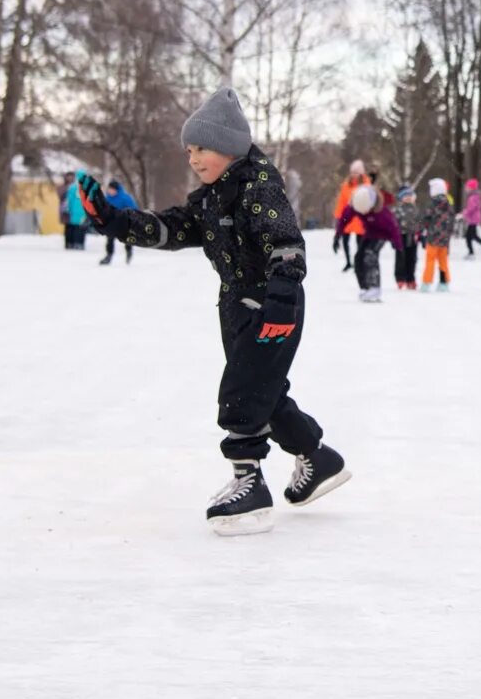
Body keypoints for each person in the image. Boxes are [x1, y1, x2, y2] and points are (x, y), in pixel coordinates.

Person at [78, 87, 350, 535]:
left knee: (243, 392)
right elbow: (170, 228)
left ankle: (250, 487)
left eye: (201, 148)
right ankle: (318, 459)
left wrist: (280, 301)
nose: (193, 158)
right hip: (237, 304)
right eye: (189, 150)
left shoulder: (259, 186)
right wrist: (112, 219)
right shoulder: (209, 198)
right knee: (264, 390)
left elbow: (285, 244)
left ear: (228, 146)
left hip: (272, 303)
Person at [337, 182, 400, 303]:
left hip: (382, 234)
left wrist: (397, 244)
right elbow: (345, 218)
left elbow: (393, 228)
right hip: (369, 232)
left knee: (370, 254)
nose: (363, 214)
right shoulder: (356, 204)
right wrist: (338, 235)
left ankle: (375, 287)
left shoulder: (382, 213)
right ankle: (365, 287)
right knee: (358, 258)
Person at [332, 160, 369, 273]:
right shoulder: (346, 185)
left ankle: (359, 262)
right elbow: (341, 201)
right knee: (345, 240)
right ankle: (348, 262)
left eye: (357, 172)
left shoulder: (366, 185)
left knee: (360, 242)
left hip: (360, 217)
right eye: (353, 172)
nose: (354, 174)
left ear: (361, 173)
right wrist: (338, 216)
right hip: (347, 217)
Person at [420, 177, 456, 291]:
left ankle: (426, 282)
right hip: (444, 239)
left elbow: (426, 218)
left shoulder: (432, 204)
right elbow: (451, 220)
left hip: (433, 237)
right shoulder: (449, 204)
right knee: (443, 261)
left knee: (430, 260)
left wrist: (422, 227)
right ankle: (443, 283)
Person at [99, 180, 138, 265]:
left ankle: (129, 252)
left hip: (123, 222)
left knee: (126, 239)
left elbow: (133, 209)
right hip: (112, 223)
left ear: (117, 189)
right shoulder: (107, 198)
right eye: (109, 189)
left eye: (112, 189)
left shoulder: (125, 198)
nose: (110, 191)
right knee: (110, 240)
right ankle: (108, 256)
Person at [393, 184, 423, 289]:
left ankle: (411, 278)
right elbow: (394, 224)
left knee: (412, 259)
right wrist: (393, 238)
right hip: (401, 236)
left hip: (413, 237)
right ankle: (400, 278)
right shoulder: (398, 209)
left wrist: (420, 235)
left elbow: (420, 223)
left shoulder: (415, 209)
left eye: (410, 195)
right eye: (405, 195)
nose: (408, 197)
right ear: (401, 197)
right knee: (401, 258)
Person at [462, 177, 481, 257]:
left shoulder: (473, 197)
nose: (466, 188)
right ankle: (473, 252)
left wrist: (463, 214)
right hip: (473, 219)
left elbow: (471, 209)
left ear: (471, 188)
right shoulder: (474, 196)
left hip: (473, 219)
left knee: (471, 236)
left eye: (467, 187)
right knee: (470, 236)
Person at [64, 175, 89, 250]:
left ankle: (72, 243)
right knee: (80, 229)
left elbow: (69, 200)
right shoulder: (86, 188)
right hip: (82, 212)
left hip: (75, 212)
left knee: (73, 228)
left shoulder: (73, 187)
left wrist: (68, 209)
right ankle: (79, 243)